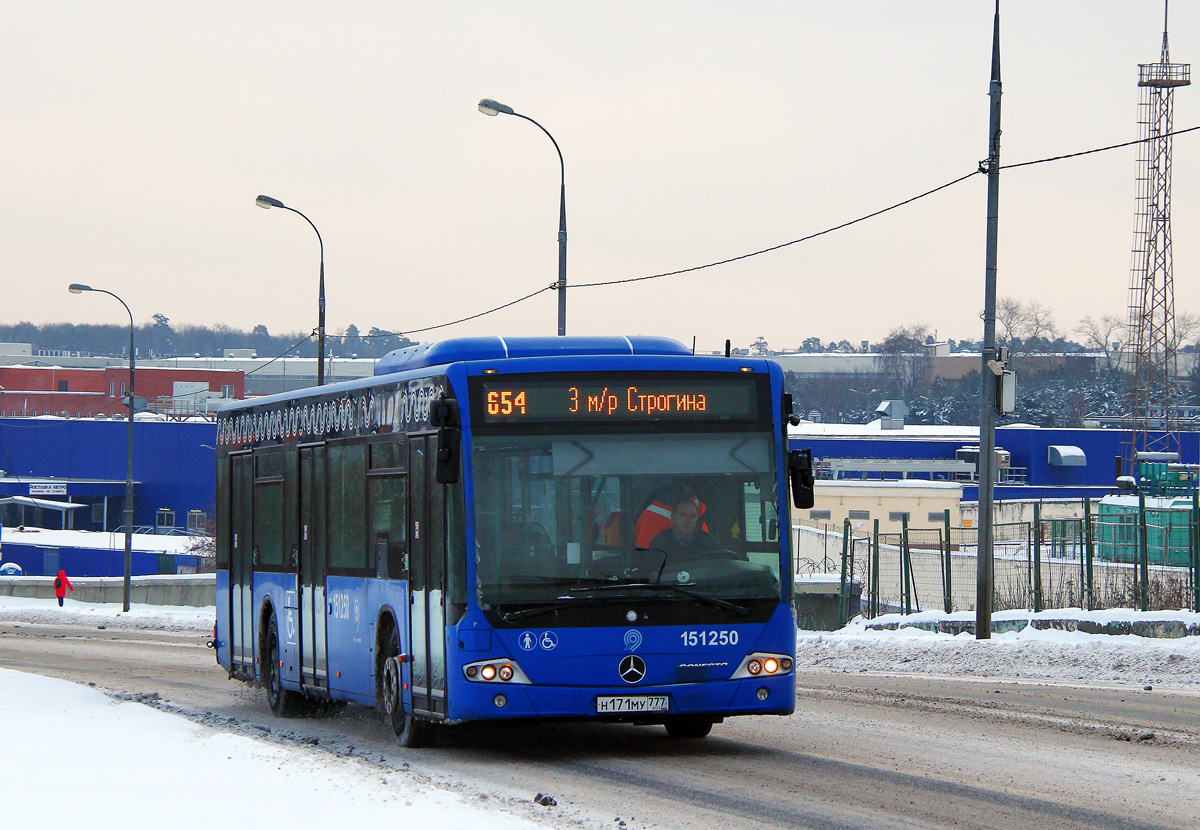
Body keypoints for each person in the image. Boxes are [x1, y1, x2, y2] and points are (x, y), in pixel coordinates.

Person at [648, 498, 719, 563]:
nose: (688, 520)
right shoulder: (659, 543)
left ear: (697, 518)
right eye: (683, 515)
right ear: (673, 517)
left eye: (693, 516)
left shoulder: (708, 541)